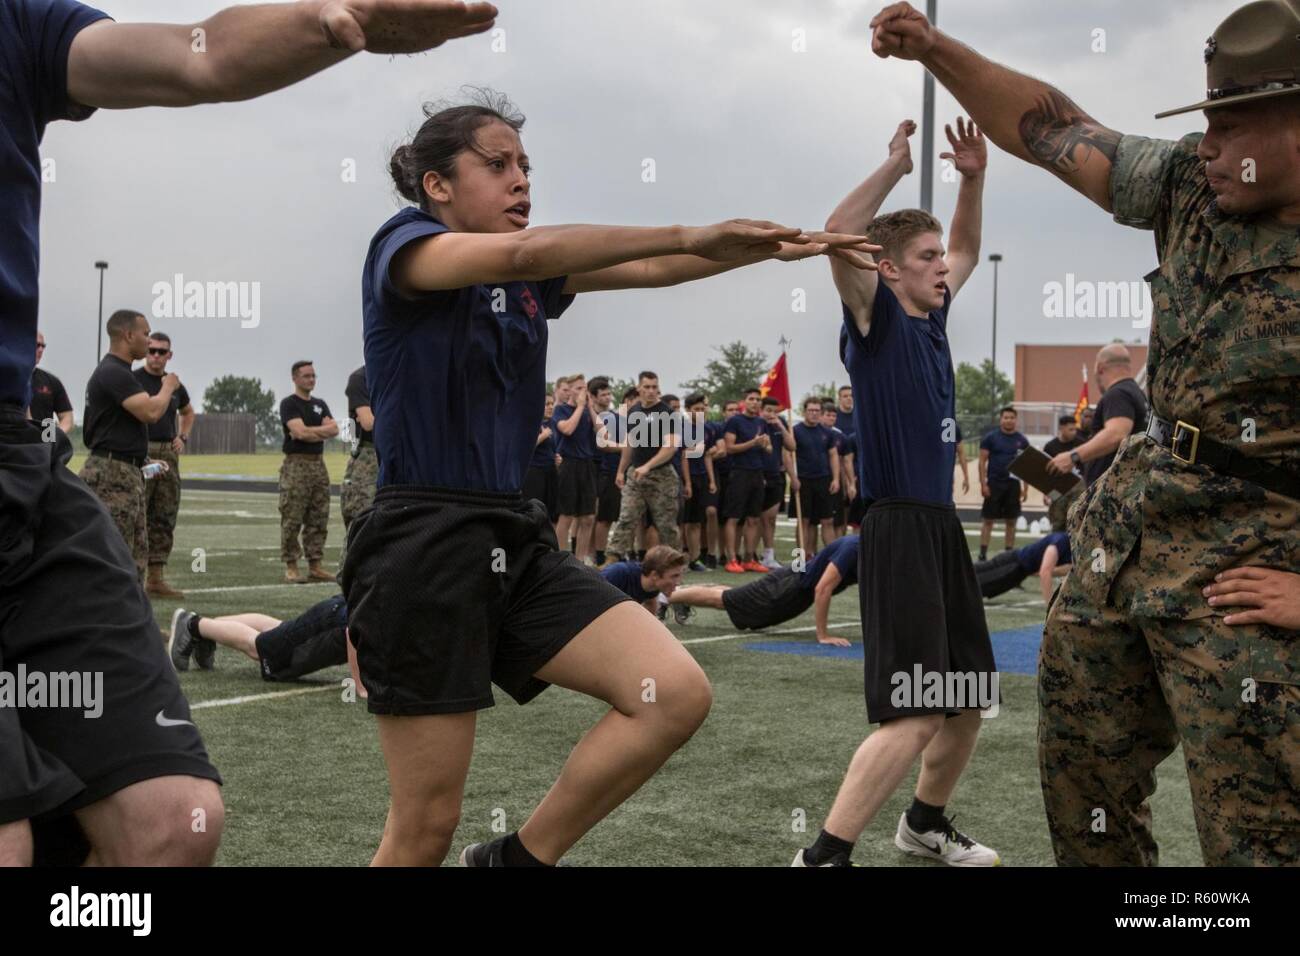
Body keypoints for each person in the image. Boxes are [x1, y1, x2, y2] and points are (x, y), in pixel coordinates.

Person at [1, 0, 499, 870]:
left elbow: (203, 58)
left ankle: (184, 616)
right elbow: (167, 413)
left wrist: (340, 20)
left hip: (19, 465)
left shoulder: (15, 24)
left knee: (174, 826)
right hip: (121, 472)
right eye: (502, 163)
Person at [344, 90, 877, 867]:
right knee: (424, 826)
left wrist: (753, 248)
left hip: (511, 534)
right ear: (437, 184)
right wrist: (696, 230)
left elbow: (654, 266)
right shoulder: (409, 246)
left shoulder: (528, 277)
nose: (521, 180)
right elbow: (532, 252)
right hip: (423, 541)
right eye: (498, 165)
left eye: (526, 166)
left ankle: (517, 860)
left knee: (673, 693)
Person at [870, 0, 1300, 865]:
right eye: (1205, 121)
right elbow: (1051, 128)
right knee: (1083, 789)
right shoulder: (1190, 185)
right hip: (1127, 540)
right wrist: (933, 45)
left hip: (1250, 566)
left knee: (1258, 836)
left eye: (1231, 122)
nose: (1206, 143)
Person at [794, 115, 1001, 868]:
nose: (942, 265)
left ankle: (924, 823)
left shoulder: (932, 317)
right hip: (898, 528)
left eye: (938, 254)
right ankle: (823, 855)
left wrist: (972, 179)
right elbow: (836, 230)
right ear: (886, 267)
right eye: (924, 255)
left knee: (970, 695)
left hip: (940, 525)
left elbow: (970, 247)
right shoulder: (873, 319)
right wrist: (894, 165)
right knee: (915, 710)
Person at [80, 309, 179, 583]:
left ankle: (133, 625)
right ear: (128, 334)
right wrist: (168, 388)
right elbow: (150, 412)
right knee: (115, 556)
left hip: (125, 471)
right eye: (146, 334)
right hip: (112, 474)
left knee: (134, 558)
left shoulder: (119, 373)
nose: (149, 342)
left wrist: (143, 461)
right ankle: (106, 623)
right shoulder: (113, 372)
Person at [670, 535, 861, 646]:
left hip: (794, 586)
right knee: (726, 600)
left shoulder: (865, 546)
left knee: (735, 597)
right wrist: (823, 635)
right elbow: (822, 589)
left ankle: (682, 592)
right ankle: (668, 596)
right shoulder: (854, 547)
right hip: (789, 588)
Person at [135, 331, 194, 598]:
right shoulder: (133, 379)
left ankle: (156, 579)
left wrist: (182, 436)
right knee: (138, 514)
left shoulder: (175, 385)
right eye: (152, 350)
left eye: (162, 351)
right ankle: (133, 578)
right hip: (142, 451)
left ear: (169, 355)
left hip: (168, 454)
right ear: (145, 351)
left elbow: (188, 411)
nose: (156, 356)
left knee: (164, 515)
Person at [168, 596, 349, 682]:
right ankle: (193, 625)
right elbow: (354, 633)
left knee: (278, 630)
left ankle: (210, 630)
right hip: (335, 624)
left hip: (337, 611)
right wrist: (360, 685)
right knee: (262, 648)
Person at [1046, 344, 1149, 487]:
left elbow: (1116, 434)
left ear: (1100, 368)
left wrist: (1072, 457)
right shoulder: (1137, 394)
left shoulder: (1117, 394)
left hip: (1115, 491)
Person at [609, 371, 682, 558]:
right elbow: (629, 444)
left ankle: (674, 563)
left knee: (666, 525)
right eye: (647, 387)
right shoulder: (634, 412)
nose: (651, 391)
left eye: (654, 387)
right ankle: (611, 560)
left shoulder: (667, 412)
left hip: (662, 475)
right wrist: (621, 471)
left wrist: (648, 465)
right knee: (626, 518)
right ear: (639, 388)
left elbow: (671, 447)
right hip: (636, 475)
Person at [278, 360, 337, 583]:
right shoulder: (289, 404)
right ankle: (291, 565)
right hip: (296, 465)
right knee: (292, 516)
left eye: (313, 376)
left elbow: (334, 429)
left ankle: (315, 564)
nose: (311, 380)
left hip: (318, 464)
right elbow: (299, 433)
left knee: (318, 516)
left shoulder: (320, 404)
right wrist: (317, 431)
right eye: (306, 376)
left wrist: (311, 431)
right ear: (295, 378)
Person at [721, 389, 773, 572]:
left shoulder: (761, 422)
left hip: (757, 473)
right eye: (751, 399)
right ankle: (731, 559)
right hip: (739, 473)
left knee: (753, 518)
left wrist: (765, 444)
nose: (755, 402)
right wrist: (753, 442)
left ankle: (749, 558)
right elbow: (729, 448)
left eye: (758, 400)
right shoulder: (735, 421)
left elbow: (769, 449)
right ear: (744, 402)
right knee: (734, 517)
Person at [552, 373, 601, 563]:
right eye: (578, 388)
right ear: (570, 390)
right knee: (567, 515)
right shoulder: (561, 410)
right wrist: (580, 406)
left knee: (588, 516)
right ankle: (562, 559)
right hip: (569, 464)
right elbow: (567, 429)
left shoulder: (588, 411)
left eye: (584, 388)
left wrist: (589, 406)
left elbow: (602, 430)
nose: (582, 392)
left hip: (587, 465)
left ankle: (579, 561)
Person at [977, 406, 1029, 560]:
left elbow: (1027, 465)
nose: (1009, 420)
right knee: (988, 520)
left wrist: (1025, 488)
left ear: (1016, 420)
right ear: (1001, 419)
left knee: (1011, 521)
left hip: (1013, 486)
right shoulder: (990, 438)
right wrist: (983, 484)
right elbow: (981, 462)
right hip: (994, 484)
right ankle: (982, 554)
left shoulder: (1022, 440)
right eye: (1006, 417)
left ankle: (1008, 555)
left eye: (1012, 418)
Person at [791, 397, 840, 550]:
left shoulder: (827, 432)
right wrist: (793, 478)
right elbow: (787, 455)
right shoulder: (795, 431)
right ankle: (801, 560)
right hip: (803, 480)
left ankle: (832, 558)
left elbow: (833, 455)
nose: (814, 414)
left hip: (823, 480)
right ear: (804, 411)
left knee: (827, 521)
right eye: (811, 410)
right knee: (803, 520)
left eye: (817, 411)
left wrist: (836, 479)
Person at [341, 363, 378, 563]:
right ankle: (348, 584)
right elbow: (368, 422)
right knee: (361, 521)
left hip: (396, 455)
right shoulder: (361, 378)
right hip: (369, 456)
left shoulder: (399, 373)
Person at [593, 382, 633, 565]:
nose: (608, 397)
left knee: (624, 516)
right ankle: (599, 554)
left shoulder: (628, 420)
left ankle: (622, 553)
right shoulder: (604, 418)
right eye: (604, 394)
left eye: (610, 394)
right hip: (607, 471)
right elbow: (604, 444)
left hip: (626, 472)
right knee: (605, 517)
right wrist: (624, 448)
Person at [973, 531, 1072, 604]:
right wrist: (1051, 605)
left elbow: (1049, 570)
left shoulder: (1066, 541)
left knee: (973, 573)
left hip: (1014, 560)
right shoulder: (1062, 541)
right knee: (977, 586)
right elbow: (1045, 572)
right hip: (1014, 567)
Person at [680, 392, 717, 572]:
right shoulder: (682, 428)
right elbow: (684, 456)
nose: (700, 412)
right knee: (682, 521)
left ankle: (695, 559)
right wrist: (687, 483)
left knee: (696, 521)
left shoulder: (707, 429)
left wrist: (711, 480)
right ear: (687, 410)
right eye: (696, 409)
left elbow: (708, 455)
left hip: (702, 478)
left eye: (703, 409)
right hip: (687, 478)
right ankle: (682, 557)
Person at [598, 545, 689, 616]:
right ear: (655, 575)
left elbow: (651, 604)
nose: (678, 582)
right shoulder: (617, 574)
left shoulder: (652, 587)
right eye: (674, 576)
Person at [758, 397, 794, 568]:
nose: (771, 414)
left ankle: (769, 554)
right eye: (768, 410)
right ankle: (750, 554)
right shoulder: (757, 425)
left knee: (770, 518)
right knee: (756, 518)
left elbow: (792, 447)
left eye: (774, 411)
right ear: (761, 410)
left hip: (776, 475)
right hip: (757, 475)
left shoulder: (780, 425)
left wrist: (781, 426)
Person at [1042, 414, 1085, 531]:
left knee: (1074, 521)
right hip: (1057, 489)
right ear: (1061, 428)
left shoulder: (1081, 444)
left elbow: (1087, 468)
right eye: (1071, 429)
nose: (1074, 432)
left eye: (1075, 429)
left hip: (1078, 488)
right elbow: (1045, 471)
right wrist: (1046, 492)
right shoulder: (1050, 446)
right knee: (1057, 522)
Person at [523, 392, 560, 524]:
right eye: (546, 404)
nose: (550, 407)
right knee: (534, 512)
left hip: (550, 471)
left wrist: (556, 457)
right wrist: (542, 436)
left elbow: (552, 448)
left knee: (551, 513)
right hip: (534, 472)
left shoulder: (552, 423)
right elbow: (523, 448)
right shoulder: (529, 423)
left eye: (552, 404)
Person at [28, 331, 73, 433]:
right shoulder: (9, 378)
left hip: (43, 444)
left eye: (43, 346)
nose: (40, 349)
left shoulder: (51, 381)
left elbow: (67, 418)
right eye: (37, 345)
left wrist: (52, 438)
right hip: (13, 442)